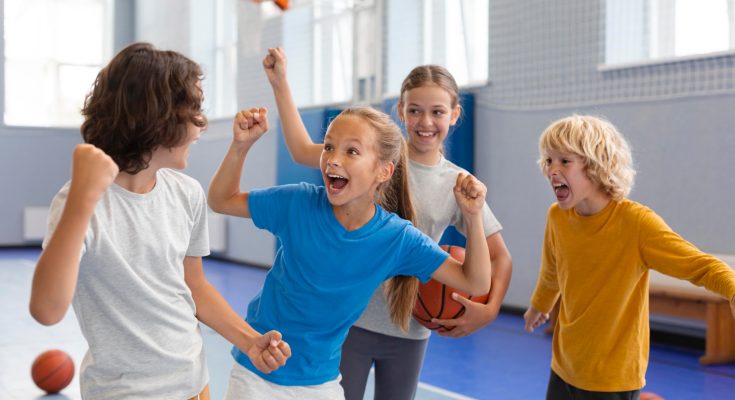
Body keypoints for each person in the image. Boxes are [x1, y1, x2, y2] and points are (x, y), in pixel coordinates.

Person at [29, 42, 290, 400]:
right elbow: (46, 309)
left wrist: (250, 341)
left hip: (193, 384)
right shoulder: (77, 202)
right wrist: (81, 199)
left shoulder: (186, 193)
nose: (201, 124)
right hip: (124, 392)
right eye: (194, 110)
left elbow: (194, 287)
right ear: (157, 117)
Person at [261, 47, 513, 399]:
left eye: (437, 112)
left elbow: (501, 257)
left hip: (410, 329)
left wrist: (488, 310)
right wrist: (280, 83)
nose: (426, 122)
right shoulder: (373, 160)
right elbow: (301, 148)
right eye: (415, 111)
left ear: (455, 115)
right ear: (401, 111)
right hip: (352, 320)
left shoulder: (459, 183)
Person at [207, 105, 492, 399]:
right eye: (329, 147)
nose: (333, 159)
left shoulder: (396, 238)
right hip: (257, 374)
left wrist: (473, 217)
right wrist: (240, 146)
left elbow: (476, 283)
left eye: (351, 151)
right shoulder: (297, 202)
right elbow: (221, 200)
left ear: (384, 171)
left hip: (321, 383)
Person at [523, 115, 735, 399]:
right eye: (548, 160)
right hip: (564, 365)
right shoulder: (557, 217)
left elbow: (701, 266)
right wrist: (540, 304)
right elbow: (552, 270)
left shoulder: (636, 224)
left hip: (612, 378)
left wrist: (732, 289)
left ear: (596, 165)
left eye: (564, 161)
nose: (552, 170)